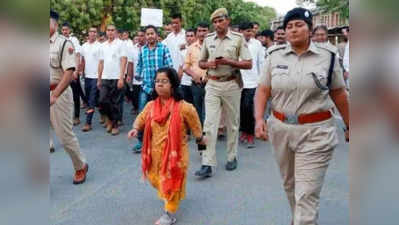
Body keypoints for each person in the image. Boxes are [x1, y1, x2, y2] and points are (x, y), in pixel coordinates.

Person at [254, 8, 349, 225]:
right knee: (291, 186)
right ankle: (301, 219)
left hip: (316, 132)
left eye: (299, 25)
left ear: (310, 29)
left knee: (306, 194)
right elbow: (263, 90)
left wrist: (351, 125)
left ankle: (303, 220)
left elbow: (339, 93)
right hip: (281, 130)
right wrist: (259, 119)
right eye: (289, 26)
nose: (294, 30)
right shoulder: (274, 56)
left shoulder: (328, 57)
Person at [128, 67, 205, 225]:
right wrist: (135, 129)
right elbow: (141, 118)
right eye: (157, 81)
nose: (160, 84)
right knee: (155, 179)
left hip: (176, 155)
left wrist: (200, 141)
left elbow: (196, 125)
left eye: (164, 81)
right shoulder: (151, 106)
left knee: (170, 182)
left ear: (173, 84)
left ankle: (169, 214)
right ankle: (170, 196)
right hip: (155, 153)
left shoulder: (184, 107)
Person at [195, 8, 252, 178]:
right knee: (208, 125)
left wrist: (229, 61)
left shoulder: (238, 38)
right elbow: (201, 62)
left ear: (228, 21)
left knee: (233, 123)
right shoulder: (208, 39)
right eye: (215, 22)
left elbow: (248, 64)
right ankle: (206, 162)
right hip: (212, 83)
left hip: (231, 84)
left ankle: (231, 156)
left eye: (220, 21)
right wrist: (209, 64)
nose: (217, 24)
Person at [50, 10, 88, 184]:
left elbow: (69, 72)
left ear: (55, 24)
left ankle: (80, 166)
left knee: (65, 136)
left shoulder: (64, 44)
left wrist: (55, 95)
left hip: (58, 93)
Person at [132, 25, 173, 153]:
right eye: (147, 34)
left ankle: (163, 139)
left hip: (160, 89)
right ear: (145, 36)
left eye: (152, 33)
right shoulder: (143, 50)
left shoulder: (163, 48)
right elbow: (139, 65)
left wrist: (167, 84)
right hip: (146, 87)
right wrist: (138, 75)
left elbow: (170, 66)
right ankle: (141, 141)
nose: (150, 36)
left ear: (156, 35)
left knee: (162, 114)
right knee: (142, 113)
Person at [97, 24, 128, 136]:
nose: (110, 32)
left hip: (116, 77)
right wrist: (99, 79)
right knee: (102, 100)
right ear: (106, 32)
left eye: (112, 30)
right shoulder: (103, 45)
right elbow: (101, 63)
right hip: (105, 77)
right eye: (108, 30)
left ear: (115, 32)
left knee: (115, 102)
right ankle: (110, 119)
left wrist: (121, 78)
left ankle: (114, 125)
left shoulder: (121, 44)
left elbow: (124, 60)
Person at [238, 22, 265, 148]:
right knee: (241, 109)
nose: (248, 33)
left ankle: (250, 134)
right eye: (245, 31)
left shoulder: (257, 44)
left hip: (253, 82)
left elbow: (261, 63)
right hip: (238, 82)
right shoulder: (235, 43)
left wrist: (261, 81)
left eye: (250, 31)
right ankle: (243, 131)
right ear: (240, 31)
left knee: (249, 108)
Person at [61, 22, 88, 125]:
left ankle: (76, 117)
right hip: (62, 72)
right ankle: (65, 117)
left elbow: (77, 56)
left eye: (66, 30)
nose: (64, 32)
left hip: (71, 72)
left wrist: (76, 71)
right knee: (63, 96)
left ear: (69, 30)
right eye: (63, 30)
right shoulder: (59, 40)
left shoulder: (74, 40)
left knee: (75, 95)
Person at [183, 22, 209, 126]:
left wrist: (209, 76)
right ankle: (200, 132)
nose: (202, 33)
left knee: (210, 109)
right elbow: (186, 66)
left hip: (211, 83)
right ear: (196, 32)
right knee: (197, 108)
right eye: (199, 31)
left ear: (209, 31)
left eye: (204, 31)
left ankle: (209, 131)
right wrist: (194, 75)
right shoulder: (191, 47)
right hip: (196, 83)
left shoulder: (213, 46)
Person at [80, 26, 101, 132]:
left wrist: (100, 77)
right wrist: (80, 71)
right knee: (90, 100)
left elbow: (102, 62)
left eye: (94, 32)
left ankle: (88, 123)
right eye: (91, 32)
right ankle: (104, 115)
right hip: (87, 76)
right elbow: (82, 61)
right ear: (88, 34)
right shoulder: (84, 46)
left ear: (96, 34)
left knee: (92, 100)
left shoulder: (100, 46)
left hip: (96, 76)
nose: (92, 33)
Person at [178, 28, 197, 104]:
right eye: (187, 36)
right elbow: (180, 67)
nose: (189, 38)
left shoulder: (200, 49)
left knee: (197, 107)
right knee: (186, 107)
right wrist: (178, 82)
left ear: (195, 37)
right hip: (184, 83)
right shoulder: (182, 51)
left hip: (196, 83)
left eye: (192, 36)